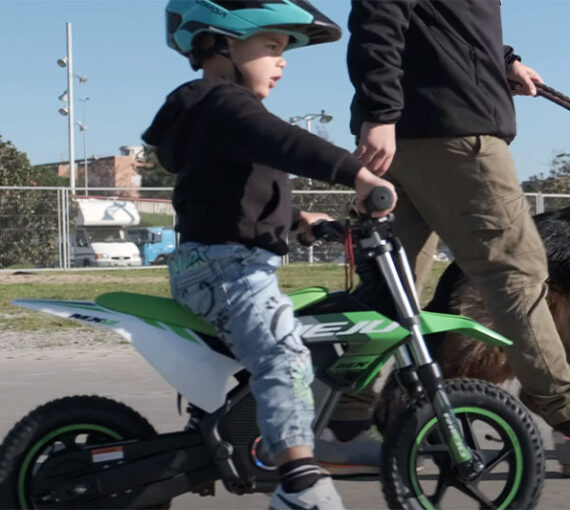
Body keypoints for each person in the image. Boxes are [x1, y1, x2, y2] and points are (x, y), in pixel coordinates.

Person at [142, 1, 396, 508]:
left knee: (279, 339)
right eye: (273, 47)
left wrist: (300, 220)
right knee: (284, 355)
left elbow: (238, 191)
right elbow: (285, 142)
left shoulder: (216, 114)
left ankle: (216, 434)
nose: (282, 62)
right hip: (229, 269)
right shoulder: (222, 102)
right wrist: (359, 175)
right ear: (220, 43)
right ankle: (300, 481)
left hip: (219, 265)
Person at [319, 0, 570, 472]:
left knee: (393, 287)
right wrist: (379, 111)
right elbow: (381, 13)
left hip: (418, 129)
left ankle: (334, 421)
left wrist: (505, 60)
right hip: (456, 132)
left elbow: (448, 23)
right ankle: (564, 409)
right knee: (516, 273)